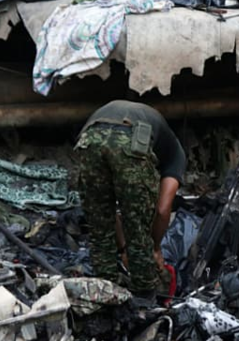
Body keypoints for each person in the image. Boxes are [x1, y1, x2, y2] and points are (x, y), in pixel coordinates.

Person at [74, 100, 186, 295]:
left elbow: (110, 212)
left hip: (90, 139)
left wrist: (123, 248)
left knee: (100, 225)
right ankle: (144, 298)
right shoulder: (176, 156)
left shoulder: (160, 135)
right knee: (138, 229)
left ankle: (104, 293)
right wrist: (155, 248)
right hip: (128, 138)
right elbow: (162, 210)